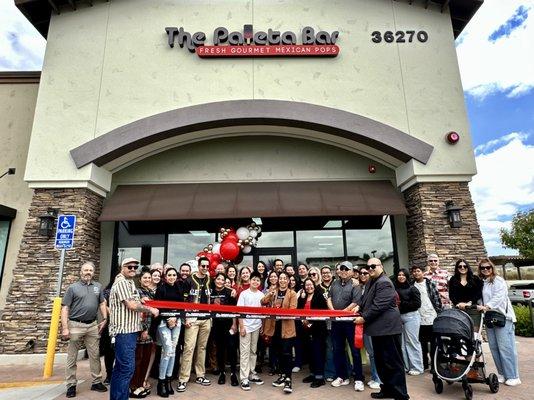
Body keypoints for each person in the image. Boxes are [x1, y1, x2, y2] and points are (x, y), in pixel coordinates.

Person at [356, 258, 409, 400]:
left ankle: (401, 395)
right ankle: (387, 390)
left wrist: (363, 318)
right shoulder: (370, 282)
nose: (370, 269)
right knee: (381, 363)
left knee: (393, 363)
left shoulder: (384, 282)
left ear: (381, 266)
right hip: (378, 330)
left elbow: (379, 306)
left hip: (388, 329)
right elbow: (364, 301)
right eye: (368, 267)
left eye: (373, 266)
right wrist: (357, 308)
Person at [109, 257, 159, 400]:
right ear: (122, 267)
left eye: (135, 267)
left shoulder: (129, 282)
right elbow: (131, 305)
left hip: (129, 331)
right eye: (129, 266)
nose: (132, 269)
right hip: (124, 332)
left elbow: (134, 301)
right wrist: (150, 309)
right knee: (126, 369)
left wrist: (141, 301)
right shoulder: (122, 283)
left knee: (120, 369)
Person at [61, 261, 108, 398]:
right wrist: (65, 328)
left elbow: (102, 303)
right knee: (72, 356)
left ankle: (96, 381)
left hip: (92, 325)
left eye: (90, 270)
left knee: (95, 355)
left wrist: (104, 319)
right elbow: (65, 308)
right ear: (81, 272)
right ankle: (71, 385)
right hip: (75, 325)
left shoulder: (98, 287)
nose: (88, 272)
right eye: (85, 270)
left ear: (93, 273)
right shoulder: (73, 288)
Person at [477, 258, 521, 386]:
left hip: (503, 318)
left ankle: (513, 376)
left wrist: (487, 306)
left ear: (492, 268)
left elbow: (499, 296)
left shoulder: (498, 280)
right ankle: (502, 373)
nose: (485, 270)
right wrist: (478, 305)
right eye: (483, 268)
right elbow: (481, 299)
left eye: (488, 267)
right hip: (490, 318)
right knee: (494, 348)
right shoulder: (483, 282)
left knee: (506, 348)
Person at [327, 261, 364, 392]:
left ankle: (359, 379)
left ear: (352, 272)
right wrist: (333, 312)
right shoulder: (335, 283)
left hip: (350, 323)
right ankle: (342, 376)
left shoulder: (356, 285)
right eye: (341, 268)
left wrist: (343, 313)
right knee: (337, 350)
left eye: (346, 269)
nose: (343, 271)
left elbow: (356, 302)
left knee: (355, 351)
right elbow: (329, 298)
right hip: (336, 323)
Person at [177, 257, 212, 392]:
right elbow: (184, 300)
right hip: (192, 318)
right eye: (202, 266)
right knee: (189, 348)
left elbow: (218, 290)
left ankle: (200, 375)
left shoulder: (210, 280)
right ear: (198, 266)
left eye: (207, 266)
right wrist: (185, 317)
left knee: (202, 348)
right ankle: (183, 379)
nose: (205, 268)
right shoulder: (189, 280)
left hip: (207, 318)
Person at [262, 271, 297, 394]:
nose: (282, 280)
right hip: (275, 328)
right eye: (280, 278)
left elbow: (293, 310)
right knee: (279, 353)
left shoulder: (292, 294)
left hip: (286, 328)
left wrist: (279, 311)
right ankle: (282, 375)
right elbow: (263, 302)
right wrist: (269, 294)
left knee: (287, 353)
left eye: (284, 278)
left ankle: (288, 379)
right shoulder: (274, 292)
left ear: (288, 281)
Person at [153, 267, 186, 397]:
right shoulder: (161, 289)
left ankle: (168, 380)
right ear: (165, 277)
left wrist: (175, 318)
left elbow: (182, 306)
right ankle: (161, 382)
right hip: (163, 323)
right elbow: (157, 308)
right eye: (169, 275)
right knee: (166, 350)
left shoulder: (179, 288)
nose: (171, 277)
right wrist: (168, 319)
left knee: (173, 350)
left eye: (173, 275)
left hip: (176, 322)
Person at [129, 268, 156, 398]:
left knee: (145, 359)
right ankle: (133, 387)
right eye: (144, 278)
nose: (147, 280)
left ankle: (140, 385)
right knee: (138, 359)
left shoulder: (151, 292)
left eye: (149, 278)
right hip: (141, 330)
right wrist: (144, 329)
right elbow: (141, 312)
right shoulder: (138, 292)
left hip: (150, 331)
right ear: (140, 280)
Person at [237, 272, 265, 391]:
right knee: (244, 352)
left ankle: (252, 373)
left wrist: (262, 325)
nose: (255, 282)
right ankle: (244, 378)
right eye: (253, 279)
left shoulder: (261, 295)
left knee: (253, 351)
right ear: (250, 280)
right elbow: (240, 311)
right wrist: (242, 326)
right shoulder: (244, 294)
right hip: (246, 327)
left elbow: (263, 312)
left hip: (256, 326)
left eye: (258, 280)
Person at [298, 278, 328, 388]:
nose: (309, 287)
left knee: (318, 353)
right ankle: (312, 374)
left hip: (318, 330)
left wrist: (310, 323)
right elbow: (298, 311)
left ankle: (320, 378)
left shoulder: (319, 296)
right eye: (306, 285)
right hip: (305, 330)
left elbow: (322, 313)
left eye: (310, 284)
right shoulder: (302, 298)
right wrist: (303, 321)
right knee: (309, 353)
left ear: (314, 286)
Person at [411, 265, 442, 372]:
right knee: (422, 343)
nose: (416, 273)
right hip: (419, 318)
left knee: (434, 343)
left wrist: (439, 312)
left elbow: (437, 299)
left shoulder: (430, 284)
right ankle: (424, 364)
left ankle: (434, 365)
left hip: (432, 316)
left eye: (418, 271)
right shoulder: (412, 286)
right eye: (414, 271)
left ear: (423, 272)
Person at [210, 273, 239, 386]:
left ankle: (233, 374)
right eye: (218, 279)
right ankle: (222, 372)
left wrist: (234, 324)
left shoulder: (229, 292)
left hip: (228, 324)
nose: (220, 281)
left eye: (223, 279)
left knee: (231, 348)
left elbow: (233, 310)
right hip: (216, 325)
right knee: (220, 349)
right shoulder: (210, 291)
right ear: (215, 280)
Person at [394, 268, 423, 376]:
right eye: (399, 275)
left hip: (411, 317)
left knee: (412, 342)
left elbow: (417, 304)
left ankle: (417, 367)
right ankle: (406, 367)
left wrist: (402, 303)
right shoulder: (394, 288)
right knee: (401, 344)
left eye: (403, 275)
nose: (401, 276)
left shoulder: (413, 288)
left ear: (407, 276)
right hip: (399, 318)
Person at [358, 266, 381, 390]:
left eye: (365, 273)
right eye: (361, 273)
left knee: (375, 353)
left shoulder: (375, 286)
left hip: (373, 323)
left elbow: (375, 307)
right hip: (365, 324)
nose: (363, 275)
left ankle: (378, 379)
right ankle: (374, 377)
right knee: (371, 353)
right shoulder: (363, 287)